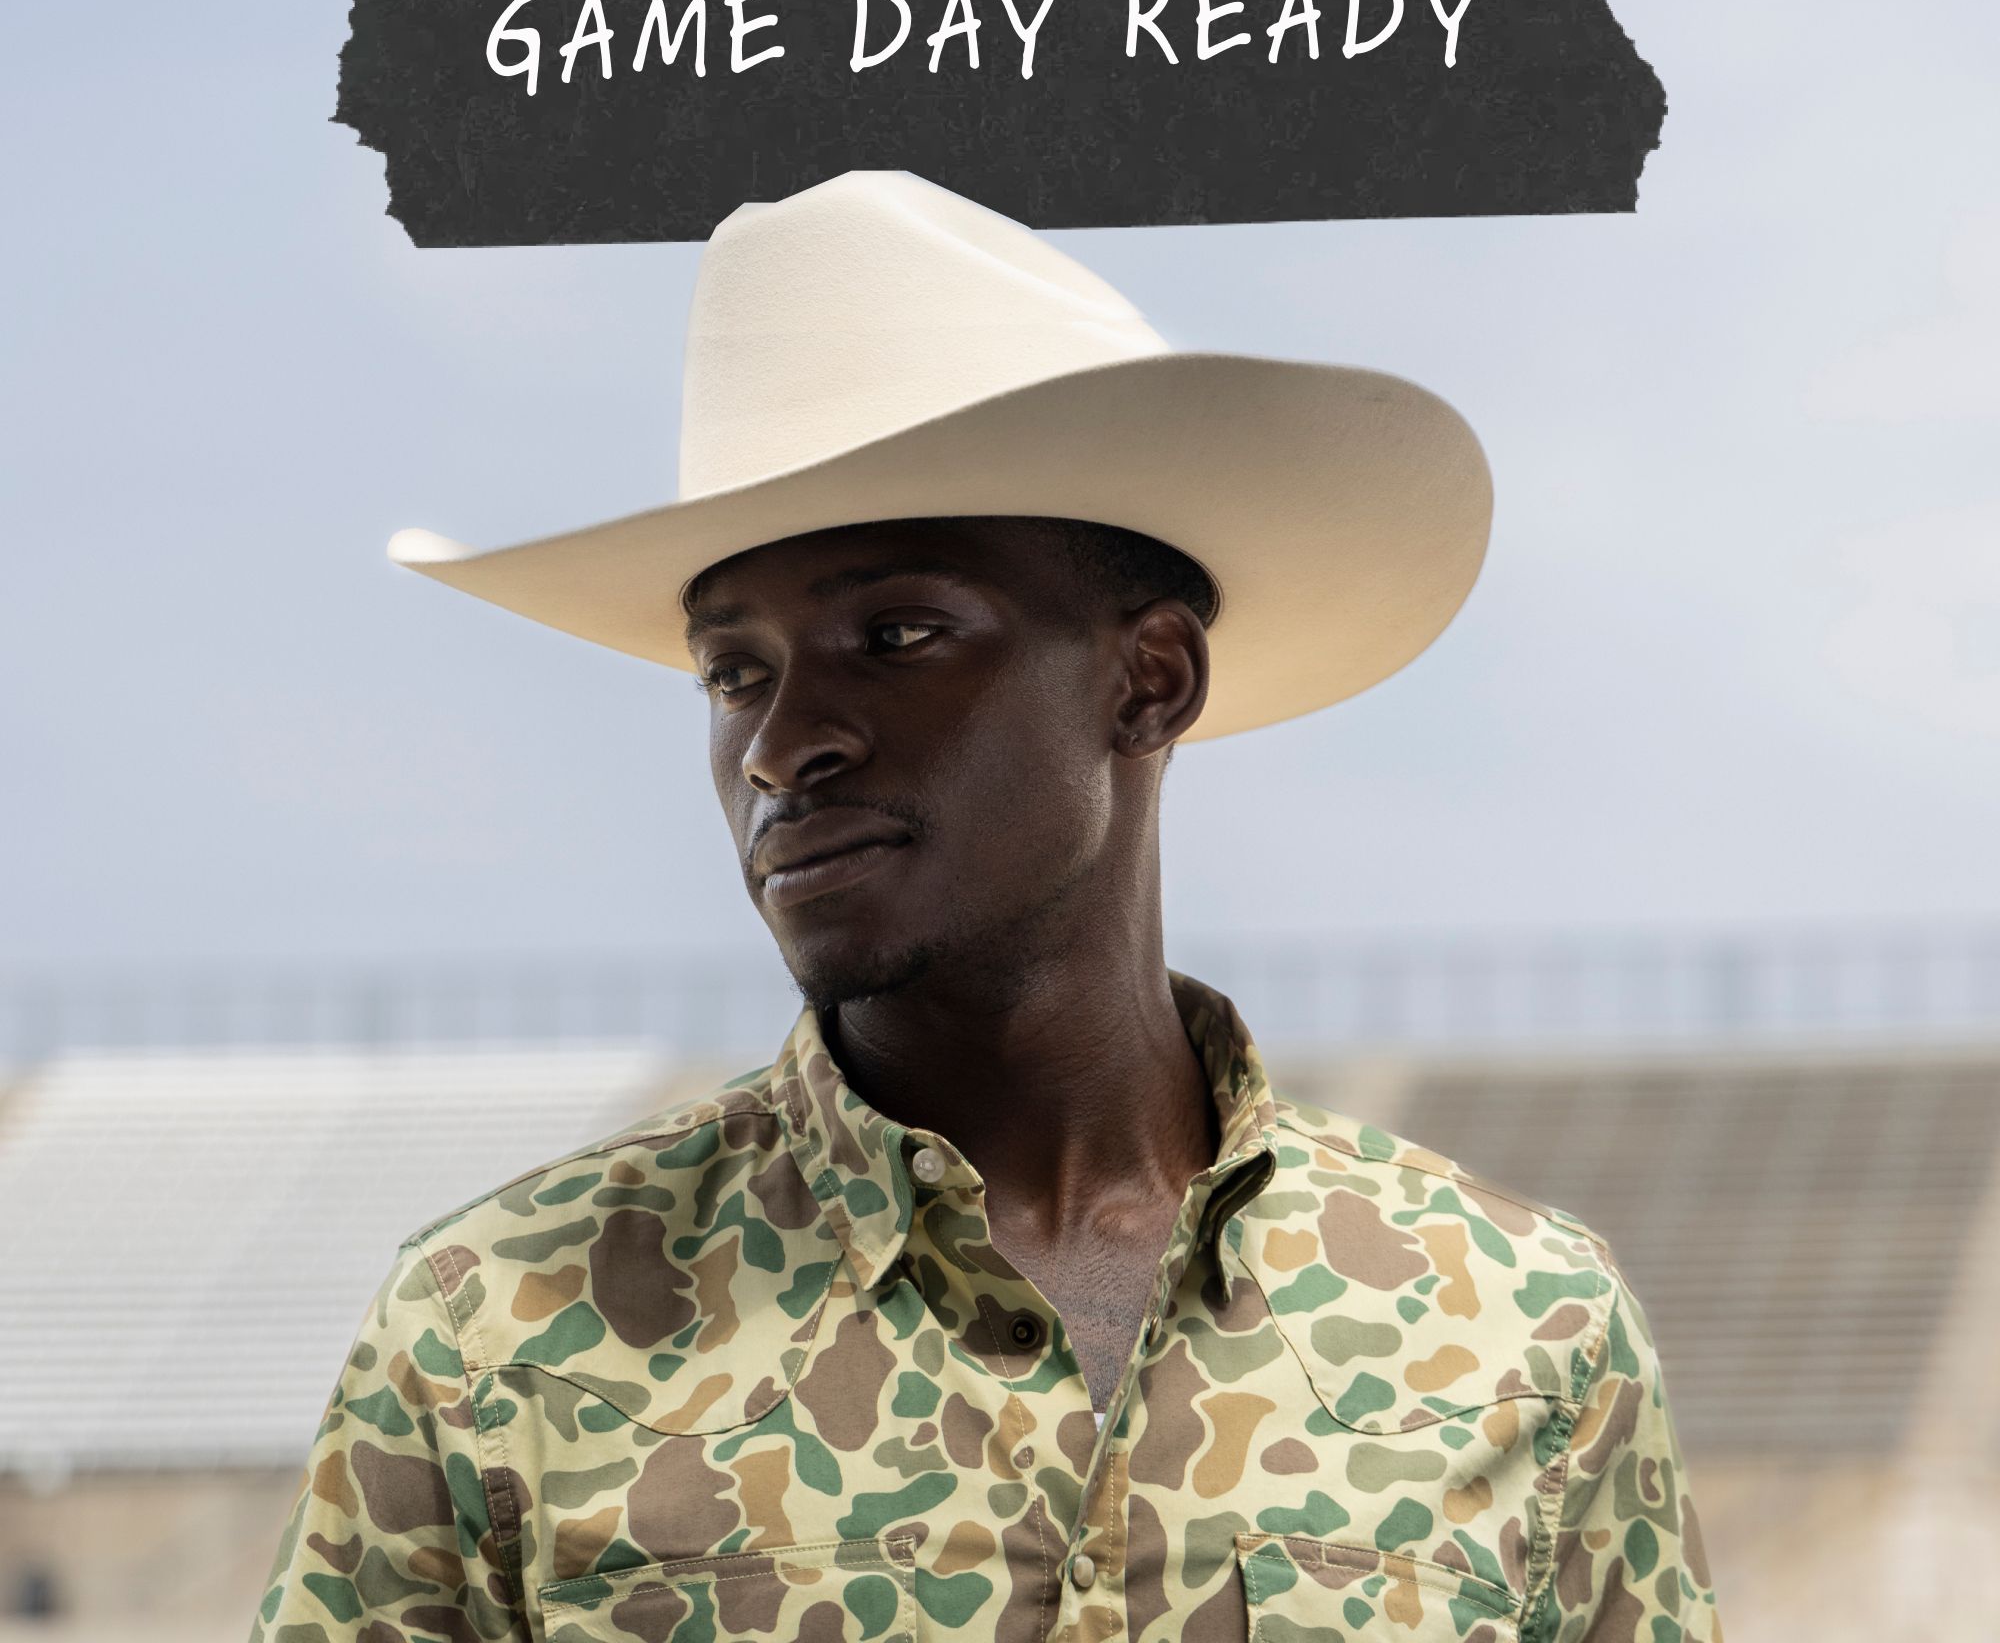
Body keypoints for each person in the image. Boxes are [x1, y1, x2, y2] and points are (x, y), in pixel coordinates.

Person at [254, 172, 1716, 1643]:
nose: (779, 744)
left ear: (1149, 681)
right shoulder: (492, 1332)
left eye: (896, 635)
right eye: (734, 670)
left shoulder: (1517, 1331)